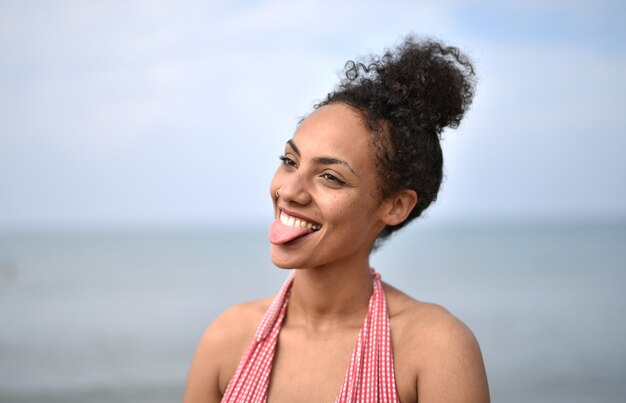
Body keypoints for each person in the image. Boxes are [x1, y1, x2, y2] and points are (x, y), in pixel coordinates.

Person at [184, 36, 490, 403]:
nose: (290, 192)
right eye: (290, 162)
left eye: (331, 177)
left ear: (395, 206)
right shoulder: (227, 339)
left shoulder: (435, 349)